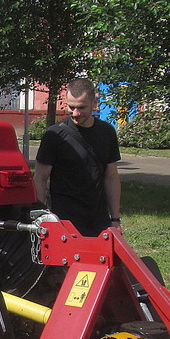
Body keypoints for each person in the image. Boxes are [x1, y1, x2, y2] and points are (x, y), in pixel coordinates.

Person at [32, 79, 121, 237]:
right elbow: (40, 178)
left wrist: (115, 219)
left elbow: (111, 177)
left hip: (99, 221)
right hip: (64, 223)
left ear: (94, 103)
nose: (75, 113)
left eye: (81, 107)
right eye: (71, 107)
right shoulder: (54, 136)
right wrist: (42, 218)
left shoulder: (106, 132)